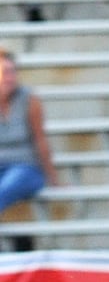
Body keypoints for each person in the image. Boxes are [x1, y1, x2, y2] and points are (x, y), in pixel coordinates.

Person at [0, 49, 59, 250]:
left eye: (12, 71)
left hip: (25, 167)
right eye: (5, 72)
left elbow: (40, 140)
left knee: (8, 185)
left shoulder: (28, 100)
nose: (10, 77)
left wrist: (52, 177)